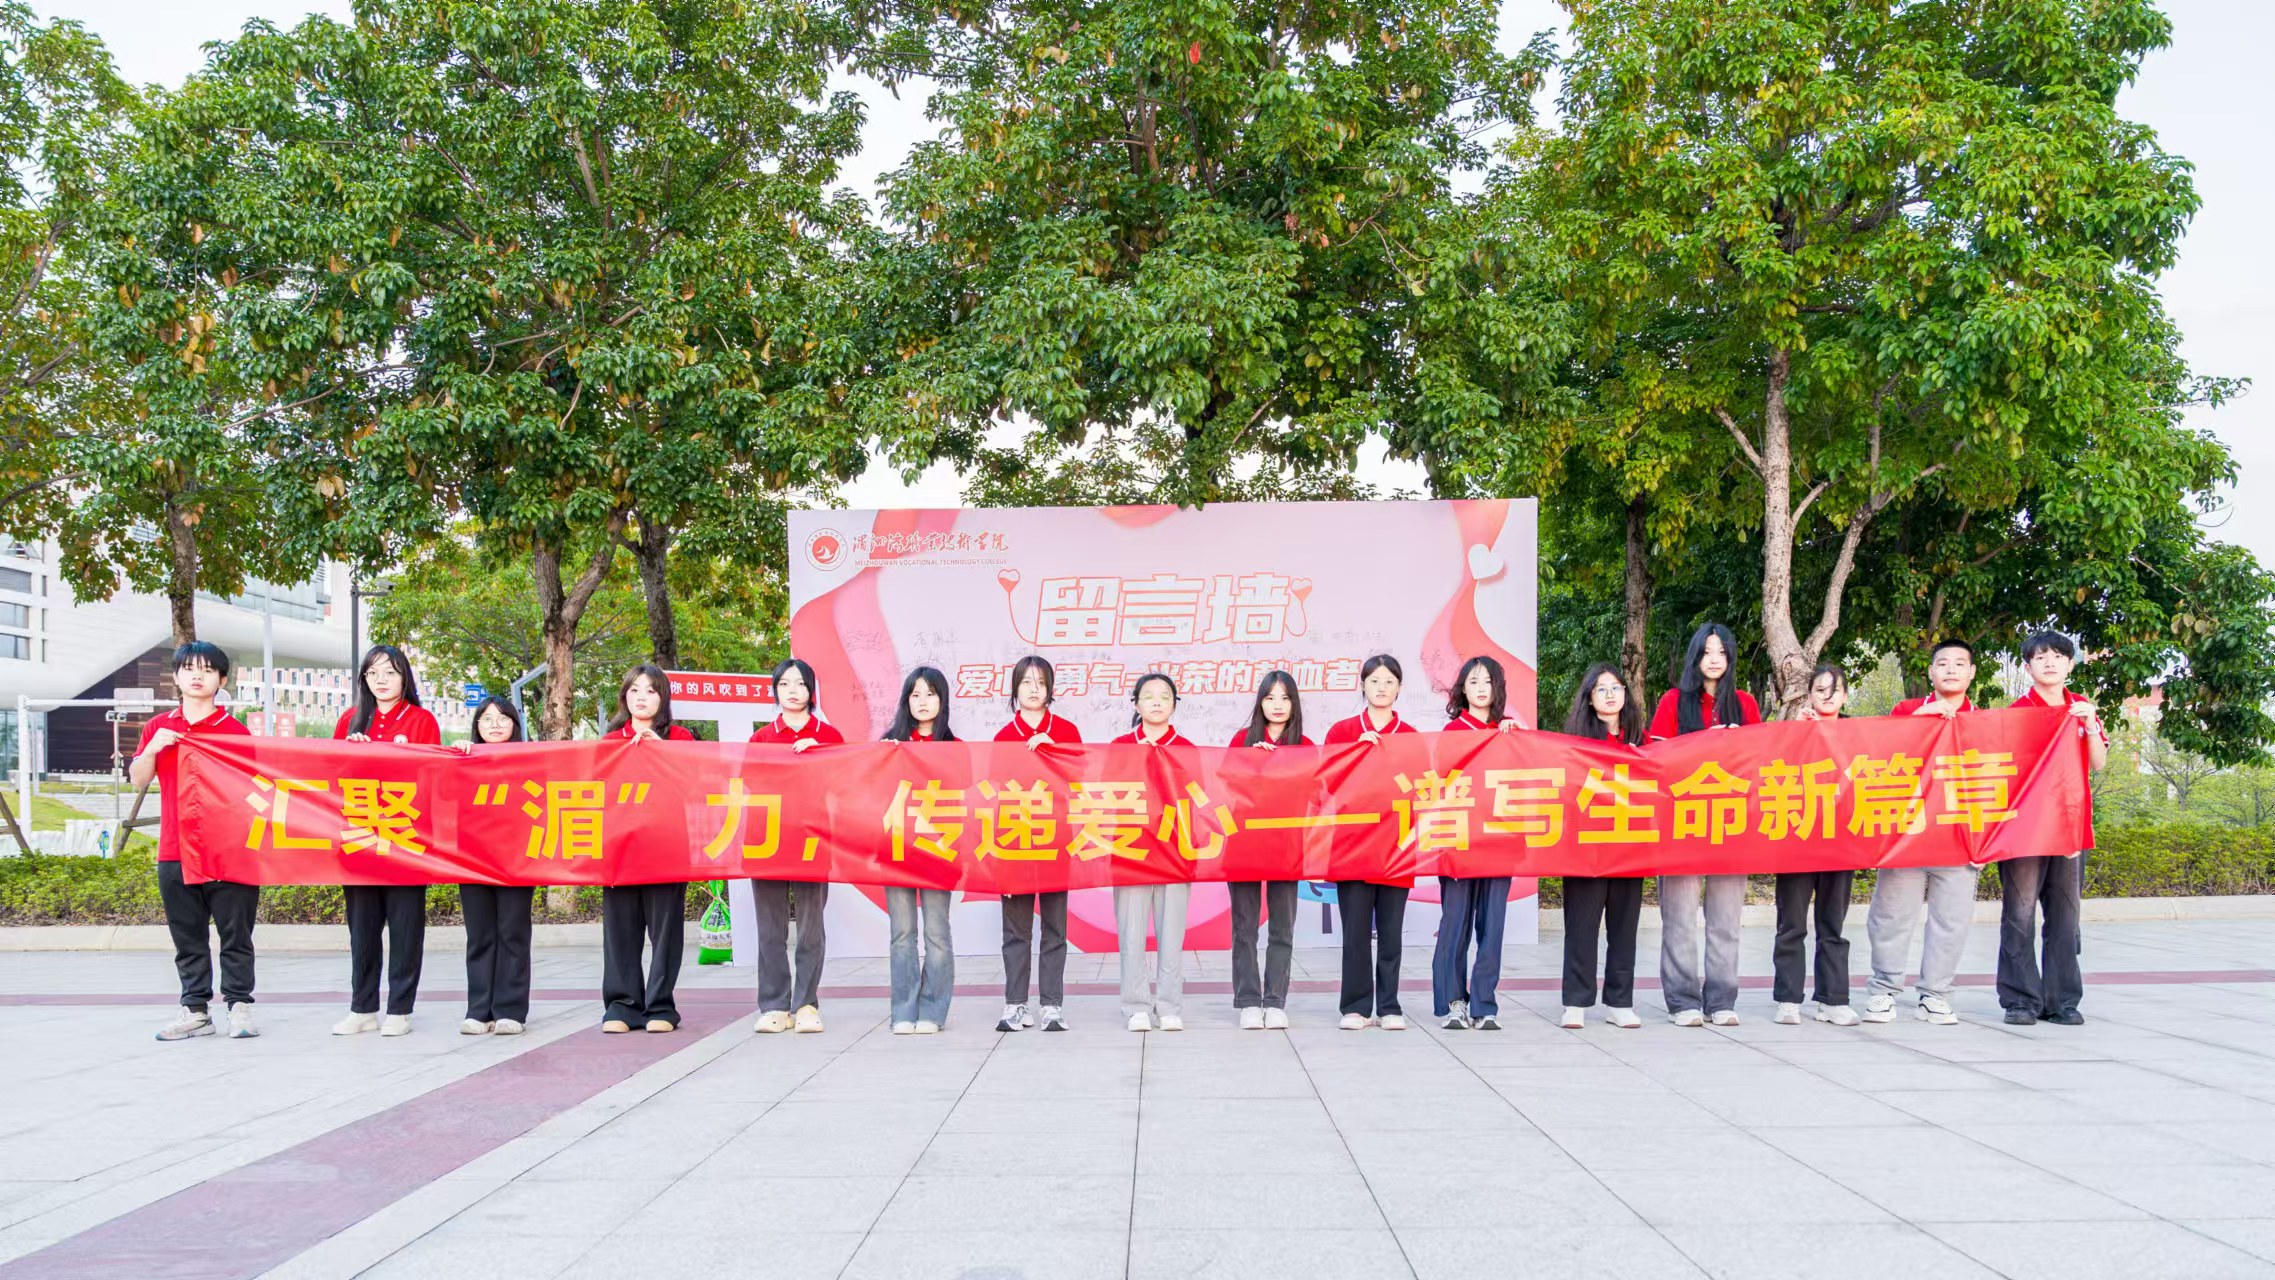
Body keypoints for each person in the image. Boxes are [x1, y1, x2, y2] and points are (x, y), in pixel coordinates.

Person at [134, 641, 260, 1042]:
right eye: (189, 669)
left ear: (221, 680)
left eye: (207, 670)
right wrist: (154, 748)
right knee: (187, 936)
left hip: (229, 851)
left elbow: (254, 788)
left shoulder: (235, 732)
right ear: (176, 677)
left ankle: (239, 1007)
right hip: (175, 849)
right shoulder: (159, 727)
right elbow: (138, 779)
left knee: (235, 935)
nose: (197, 676)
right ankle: (195, 1011)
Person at [1863, 638, 1982, 1027]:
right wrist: (1922, 719)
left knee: (1952, 921)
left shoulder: (1984, 722)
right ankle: (1883, 991)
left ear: (1971, 673)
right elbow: (1881, 755)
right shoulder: (1907, 711)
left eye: (1959, 663)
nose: (1951, 669)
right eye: (1943, 663)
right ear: (1930, 672)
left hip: (1959, 838)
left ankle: (1936, 995)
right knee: (1891, 915)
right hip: (1908, 835)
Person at [1649, 623, 1761, 1027]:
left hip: (1731, 827)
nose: (1714, 659)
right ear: (1695, 656)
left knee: (1726, 920)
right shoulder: (1673, 701)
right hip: (1681, 826)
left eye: (1721, 652)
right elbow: (1655, 759)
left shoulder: (1745, 703)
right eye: (1707, 652)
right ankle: (1682, 1001)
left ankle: (1721, 999)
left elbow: (1761, 761)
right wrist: (1703, 742)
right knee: (1679, 919)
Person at [331, 644, 443, 1037]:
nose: (381, 680)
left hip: (405, 840)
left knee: (405, 928)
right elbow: (330, 776)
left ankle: (400, 1008)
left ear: (404, 678)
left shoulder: (421, 720)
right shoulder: (349, 720)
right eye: (373, 672)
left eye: (390, 672)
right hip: (360, 839)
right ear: (363, 678)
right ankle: (362, 1008)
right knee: (362, 931)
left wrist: (401, 757)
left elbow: (434, 775)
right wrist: (352, 755)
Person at [1999, 631, 2109, 1026]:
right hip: (2024, 829)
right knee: (2020, 913)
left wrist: (2091, 725)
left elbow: (2098, 763)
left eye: (2058, 656)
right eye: (2041, 657)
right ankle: (2020, 1000)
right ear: (2028, 667)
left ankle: (2062, 1001)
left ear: (2070, 664)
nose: (2050, 662)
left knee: (2065, 915)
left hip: (2069, 827)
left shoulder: (2081, 708)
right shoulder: (2017, 712)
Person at [747, 658, 843, 1036]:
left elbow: (845, 784)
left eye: (800, 683)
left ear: (812, 691)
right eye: (785, 683)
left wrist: (821, 755)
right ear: (775, 690)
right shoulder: (761, 739)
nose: (792, 690)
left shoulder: (829, 736)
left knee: (810, 928)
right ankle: (774, 1005)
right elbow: (748, 786)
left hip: (814, 840)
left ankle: (805, 1004)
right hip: (768, 841)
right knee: (770, 929)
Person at [600, 664, 697, 1034]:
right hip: (620, 850)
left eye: (651, 690)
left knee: (665, 931)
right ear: (625, 696)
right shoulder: (611, 742)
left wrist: (663, 753)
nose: (641, 697)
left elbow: (696, 783)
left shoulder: (680, 738)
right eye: (635, 690)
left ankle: (660, 1006)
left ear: (663, 697)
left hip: (667, 849)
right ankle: (622, 1006)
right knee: (620, 932)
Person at [1323, 655, 1417, 1031]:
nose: (1381, 687)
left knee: (1391, 933)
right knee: (1356, 933)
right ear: (1362, 685)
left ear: (1399, 688)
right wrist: (1354, 754)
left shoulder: (1410, 736)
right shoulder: (1342, 732)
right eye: (1375, 680)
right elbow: (1328, 783)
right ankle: (1356, 1006)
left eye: (1389, 681)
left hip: (1396, 846)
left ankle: (1389, 1005)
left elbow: (1418, 787)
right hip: (1353, 846)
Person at [1555, 663, 1647, 1031]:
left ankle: (1620, 1002)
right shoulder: (1574, 745)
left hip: (1630, 850)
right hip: (1586, 852)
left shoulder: (1642, 743)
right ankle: (1575, 1002)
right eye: (1601, 689)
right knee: (1581, 927)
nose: (1610, 695)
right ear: (1589, 699)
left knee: (1624, 928)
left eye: (1616, 688)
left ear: (1625, 695)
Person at [993, 655, 1080, 1033]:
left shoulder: (1067, 731)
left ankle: (1051, 1005)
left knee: (1055, 928)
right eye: (1026, 682)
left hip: (1055, 842)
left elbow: (1080, 782)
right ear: (1015, 688)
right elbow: (994, 792)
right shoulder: (1003, 736)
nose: (1033, 689)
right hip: (1014, 844)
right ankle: (1015, 1004)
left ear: (1050, 689)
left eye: (1041, 683)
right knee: (1016, 930)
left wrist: (1055, 752)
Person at [1772, 665, 1862, 1027]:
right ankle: (1788, 998)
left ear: (1845, 696)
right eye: (1820, 689)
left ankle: (1833, 1000)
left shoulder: (1860, 734)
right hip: (1798, 840)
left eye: (1835, 690)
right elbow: (1774, 772)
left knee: (1832, 925)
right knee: (1791, 923)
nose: (1827, 695)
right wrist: (1800, 733)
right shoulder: (1794, 732)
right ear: (1809, 694)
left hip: (1841, 841)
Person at [1436, 655, 1520, 1030]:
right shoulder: (1452, 732)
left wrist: (1514, 740)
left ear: (1497, 687)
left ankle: (1484, 1003)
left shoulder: (1510, 731)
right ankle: (1454, 1002)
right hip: (1459, 841)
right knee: (1455, 925)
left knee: (1492, 926)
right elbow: (1439, 782)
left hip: (1500, 842)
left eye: (1488, 681)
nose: (1481, 688)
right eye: (1473, 681)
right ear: (1462, 689)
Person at [1226, 670, 1309, 1030]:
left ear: (1294, 704)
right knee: (1244, 928)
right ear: (1260, 702)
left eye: (1285, 698)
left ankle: (1275, 1000)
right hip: (1244, 845)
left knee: (1282, 928)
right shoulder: (1241, 740)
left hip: (1286, 847)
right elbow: (1225, 786)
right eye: (1270, 697)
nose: (1277, 705)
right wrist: (1251, 761)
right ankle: (1248, 1000)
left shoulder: (1305, 745)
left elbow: (1316, 792)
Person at [1112, 672, 1190, 1032]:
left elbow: (1196, 800)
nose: (1157, 702)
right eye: (1148, 696)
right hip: (1131, 852)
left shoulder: (1187, 749)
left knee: (1171, 934)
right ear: (1136, 704)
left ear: (1174, 704)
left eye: (1164, 696)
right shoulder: (1120, 747)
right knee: (1131, 934)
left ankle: (1169, 1005)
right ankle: (1136, 1005)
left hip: (1175, 853)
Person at [882, 667, 957, 1034]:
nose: (922, 701)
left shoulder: (956, 749)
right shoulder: (889, 746)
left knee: (937, 934)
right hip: (897, 850)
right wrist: (880, 759)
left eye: (930, 694)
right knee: (902, 933)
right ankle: (903, 1011)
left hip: (938, 852)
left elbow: (966, 799)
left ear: (942, 700)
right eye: (915, 694)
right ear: (906, 701)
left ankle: (933, 1010)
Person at [456, 696, 534, 1036]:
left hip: (517, 860)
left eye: (503, 718)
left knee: (513, 933)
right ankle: (479, 1010)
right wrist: (455, 755)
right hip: (472, 861)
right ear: (477, 726)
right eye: (486, 719)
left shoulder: (530, 761)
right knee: (480, 936)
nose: (494, 725)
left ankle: (510, 1010)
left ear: (515, 725)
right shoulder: (463, 760)